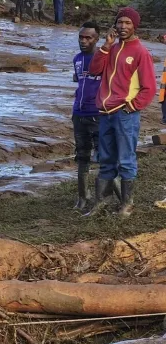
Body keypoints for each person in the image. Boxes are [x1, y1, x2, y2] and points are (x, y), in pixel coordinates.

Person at [87, 8, 156, 218]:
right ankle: (102, 203)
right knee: (106, 159)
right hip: (105, 112)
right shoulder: (112, 49)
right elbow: (94, 70)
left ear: (134, 26)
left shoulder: (141, 52)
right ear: (115, 25)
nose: (123, 26)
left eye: (127, 23)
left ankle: (127, 205)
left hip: (125, 114)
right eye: (120, 22)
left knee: (126, 159)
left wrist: (132, 107)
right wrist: (106, 46)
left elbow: (149, 88)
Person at [72, 22, 102, 210]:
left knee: (104, 159)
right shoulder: (77, 59)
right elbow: (78, 80)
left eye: (88, 37)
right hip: (78, 114)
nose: (83, 41)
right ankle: (83, 197)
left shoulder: (104, 59)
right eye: (81, 37)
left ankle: (110, 200)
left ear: (96, 39)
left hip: (98, 115)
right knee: (82, 156)